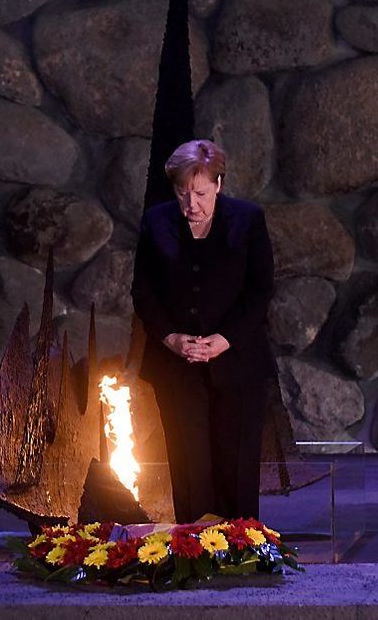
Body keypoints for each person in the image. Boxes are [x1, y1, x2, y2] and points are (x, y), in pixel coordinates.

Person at [131, 139, 275, 523]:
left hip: (239, 364)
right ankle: (195, 555)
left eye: (200, 193)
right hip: (177, 367)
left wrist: (224, 340)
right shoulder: (156, 222)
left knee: (237, 463)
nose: (190, 204)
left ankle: (241, 552)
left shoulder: (247, 220)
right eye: (182, 193)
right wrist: (171, 338)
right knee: (189, 465)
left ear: (219, 184)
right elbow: (143, 292)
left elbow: (260, 290)